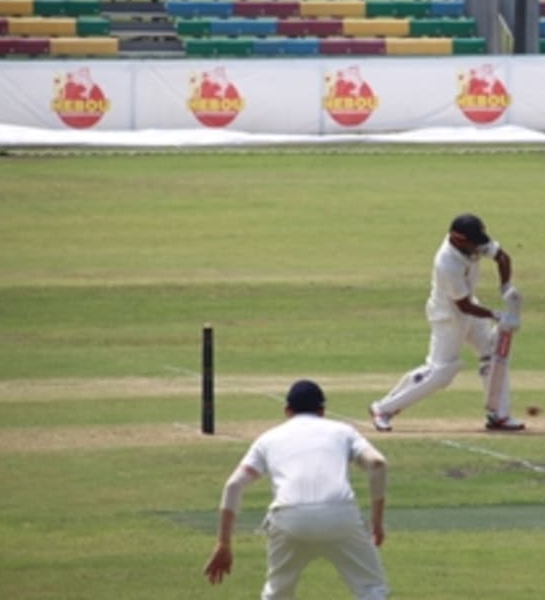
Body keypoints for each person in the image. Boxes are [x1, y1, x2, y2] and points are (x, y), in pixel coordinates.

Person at [204, 379, 390, 600]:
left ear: (287, 410)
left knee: (277, 594)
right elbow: (377, 463)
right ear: (322, 411)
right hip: (340, 516)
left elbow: (234, 485)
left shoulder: (268, 439)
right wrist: (376, 522)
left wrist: (223, 543)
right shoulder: (343, 431)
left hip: (289, 518)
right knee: (371, 589)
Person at [369, 213, 525, 432]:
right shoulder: (446, 263)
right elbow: (463, 306)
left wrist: (506, 287)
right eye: (474, 244)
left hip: (469, 305)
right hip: (448, 316)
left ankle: (499, 415)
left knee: (492, 354)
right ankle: (383, 408)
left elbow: (503, 258)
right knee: (441, 373)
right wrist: (497, 316)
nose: (478, 248)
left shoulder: (475, 240)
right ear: (458, 239)